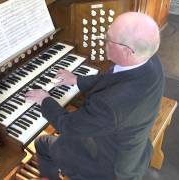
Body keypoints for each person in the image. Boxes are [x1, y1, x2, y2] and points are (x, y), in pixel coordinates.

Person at [25, 12, 164, 180]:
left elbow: (67, 126)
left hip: (107, 168)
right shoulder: (150, 60)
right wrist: (77, 80)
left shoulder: (110, 105)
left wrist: (44, 100)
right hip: (132, 148)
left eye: (108, 39)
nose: (103, 42)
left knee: (42, 143)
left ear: (127, 51)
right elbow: (114, 77)